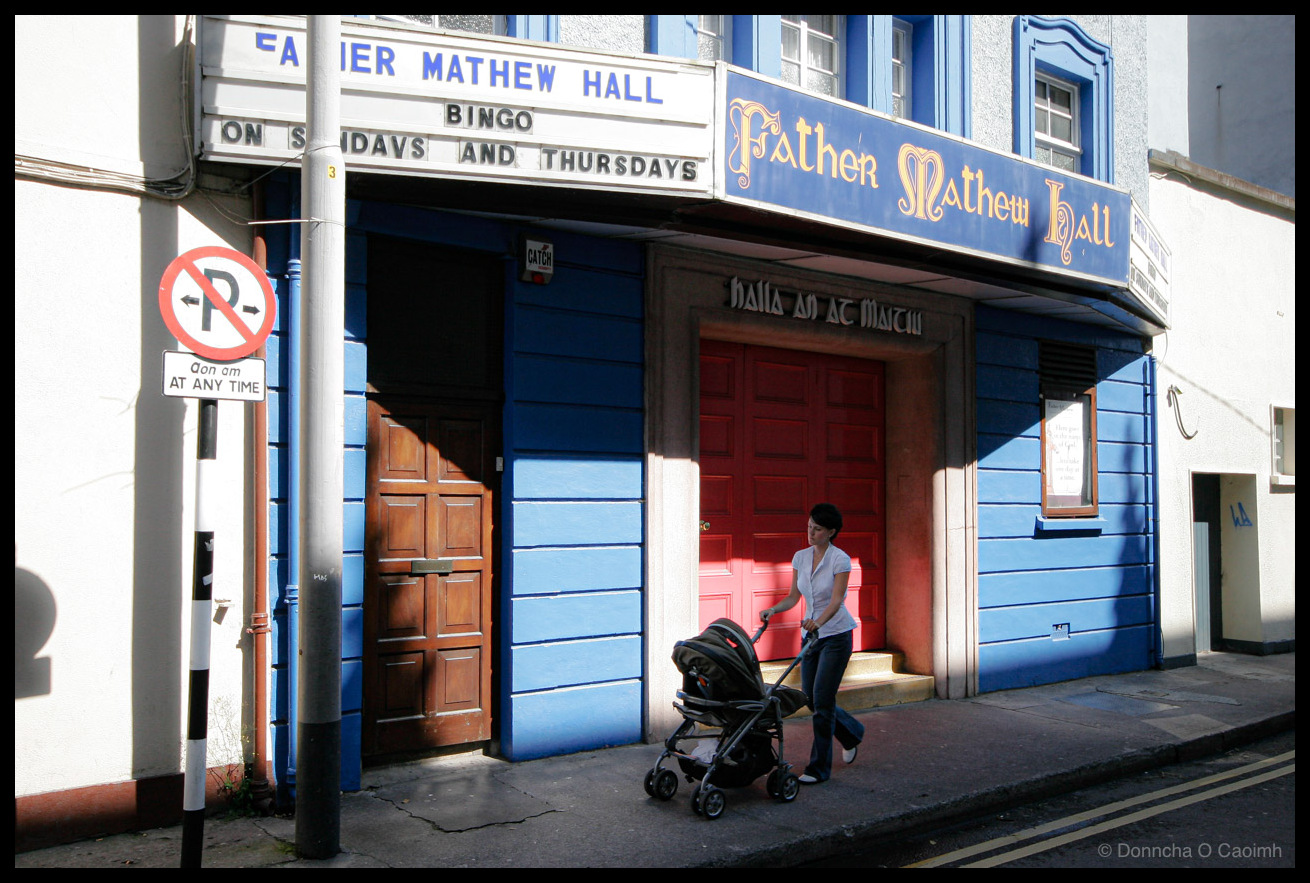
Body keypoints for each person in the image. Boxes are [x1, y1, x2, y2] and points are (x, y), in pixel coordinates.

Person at [760, 503, 865, 783]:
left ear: (831, 532)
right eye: (809, 526)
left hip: (836, 636)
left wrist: (818, 622)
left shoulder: (840, 559)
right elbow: (794, 597)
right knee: (810, 696)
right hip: (811, 636)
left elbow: (837, 600)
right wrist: (774, 609)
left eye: (817, 529)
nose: (811, 532)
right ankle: (851, 732)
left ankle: (818, 769)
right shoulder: (801, 557)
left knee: (823, 700)